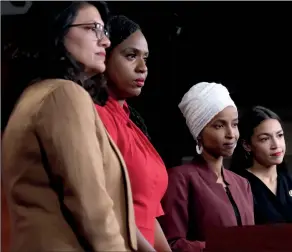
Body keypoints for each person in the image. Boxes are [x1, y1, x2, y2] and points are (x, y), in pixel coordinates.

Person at [1, 2, 138, 251]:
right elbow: (92, 208)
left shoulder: (34, 95)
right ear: (57, 32)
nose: (105, 41)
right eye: (91, 28)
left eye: (104, 30)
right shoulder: (63, 95)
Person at [95, 15, 170, 252]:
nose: (143, 67)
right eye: (131, 56)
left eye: (145, 58)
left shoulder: (131, 121)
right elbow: (107, 207)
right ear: (103, 55)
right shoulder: (97, 115)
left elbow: (148, 214)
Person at [159, 82, 254, 252]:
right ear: (199, 133)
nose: (231, 134)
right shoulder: (179, 178)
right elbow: (171, 244)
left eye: (234, 124)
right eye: (219, 125)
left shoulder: (242, 184)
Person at [231, 106, 292, 224]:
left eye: (280, 135)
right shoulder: (238, 185)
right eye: (265, 139)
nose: (276, 144)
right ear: (247, 145)